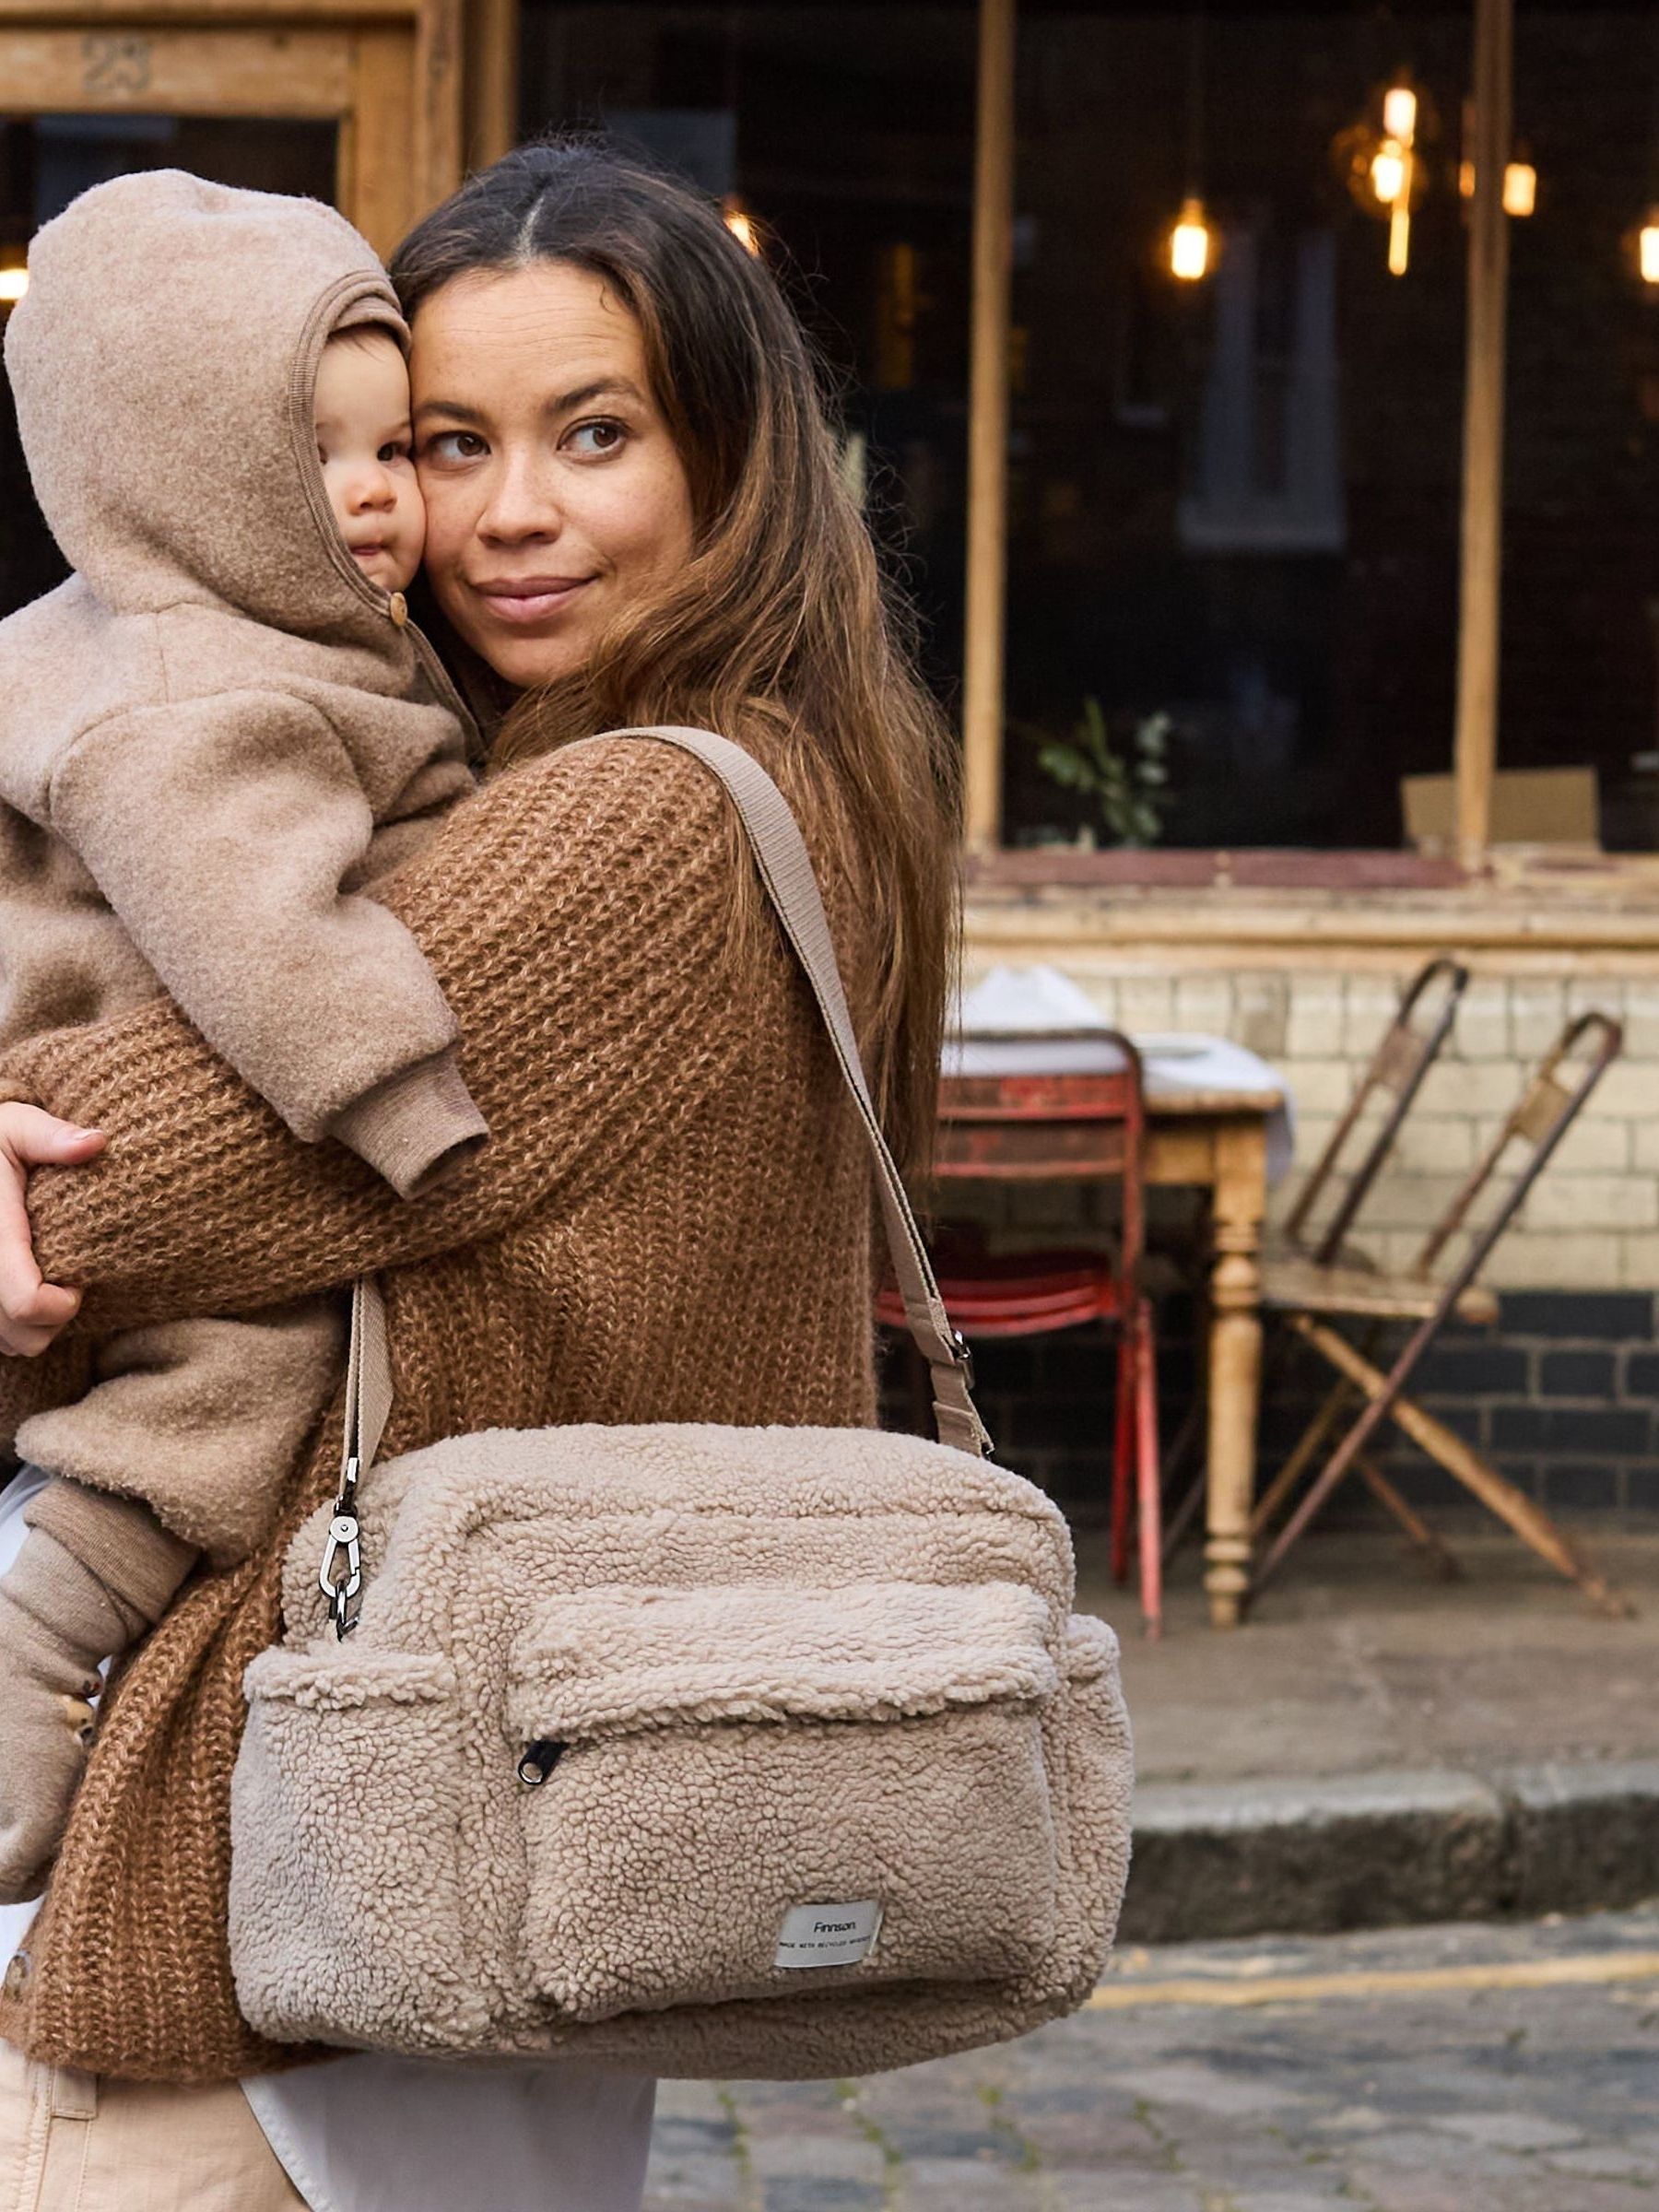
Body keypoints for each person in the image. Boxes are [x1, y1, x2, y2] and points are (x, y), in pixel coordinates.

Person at [0, 140, 959, 2211]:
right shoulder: (684, 780)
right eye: (446, 441)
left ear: (730, 460)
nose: (506, 514)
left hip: (274, 1991)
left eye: (592, 434)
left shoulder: (636, 833)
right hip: (440, 1949)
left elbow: (123, 1186)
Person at [0, 169, 494, 1905]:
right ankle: (42, 1621)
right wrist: (411, 1102)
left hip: (89, 1077)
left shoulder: (142, 632)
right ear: (190, 479)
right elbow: (263, 931)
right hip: (148, 1066)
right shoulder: (209, 694)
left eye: (397, 448)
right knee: (246, 1366)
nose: (375, 501)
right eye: (322, 457)